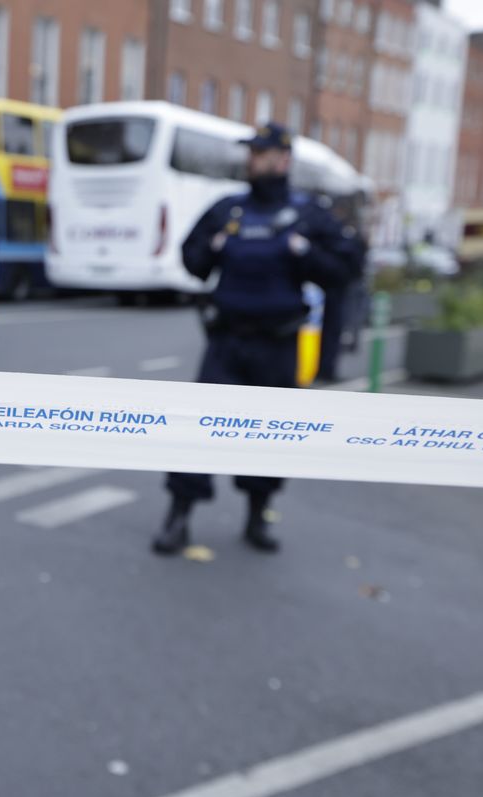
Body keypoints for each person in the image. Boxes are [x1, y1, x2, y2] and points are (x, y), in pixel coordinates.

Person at [153, 122, 356, 557]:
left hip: (278, 346)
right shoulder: (229, 209)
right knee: (196, 433)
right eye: (251, 153)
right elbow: (192, 260)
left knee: (270, 437)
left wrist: (306, 254)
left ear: (283, 159)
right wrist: (214, 246)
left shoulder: (308, 214)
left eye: (260, 154)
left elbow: (345, 271)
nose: (252, 160)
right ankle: (179, 516)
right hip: (226, 342)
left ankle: (257, 514)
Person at [316, 201, 367, 381]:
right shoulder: (343, 234)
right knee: (333, 329)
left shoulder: (335, 234)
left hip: (336, 286)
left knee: (332, 329)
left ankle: (324, 368)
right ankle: (325, 369)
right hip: (338, 287)